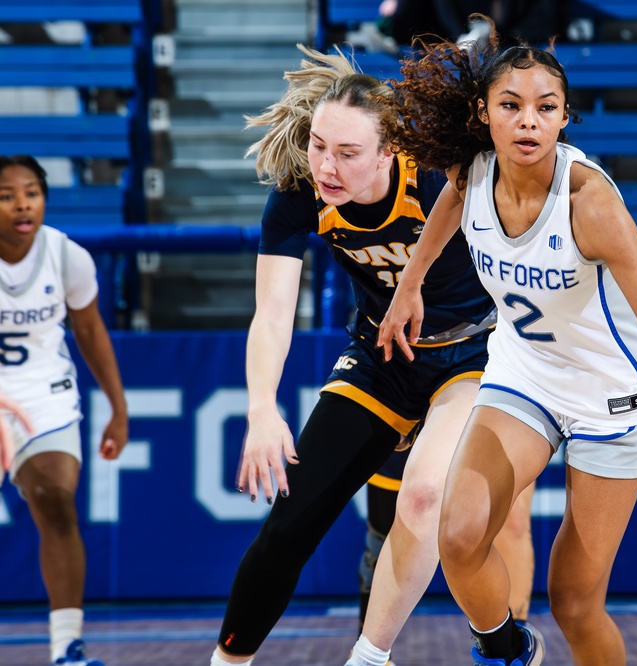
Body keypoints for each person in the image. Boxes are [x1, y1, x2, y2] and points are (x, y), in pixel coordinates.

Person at [377, 20, 637, 666]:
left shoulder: (590, 204)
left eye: (545, 108)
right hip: (527, 372)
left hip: (613, 398)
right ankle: (508, 650)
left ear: (565, 117)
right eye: (511, 106)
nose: (527, 122)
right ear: (483, 113)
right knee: (457, 536)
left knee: (573, 601)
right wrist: (411, 282)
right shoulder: (471, 173)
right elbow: (450, 210)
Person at [210, 44, 530, 666]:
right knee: (290, 522)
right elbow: (272, 314)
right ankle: (226, 661)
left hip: (474, 354)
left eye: (348, 153)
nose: (327, 166)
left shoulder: (438, 175)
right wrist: (260, 408)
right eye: (319, 145)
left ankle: (385, 654)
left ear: (389, 152)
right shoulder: (302, 191)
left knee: (422, 498)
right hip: (383, 352)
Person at [0, 155, 129, 666]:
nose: (21, 203)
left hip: (43, 394)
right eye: (7, 194)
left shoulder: (65, 255)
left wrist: (117, 408)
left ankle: (66, 647)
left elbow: (91, 332)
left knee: (55, 501)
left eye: (31, 192)